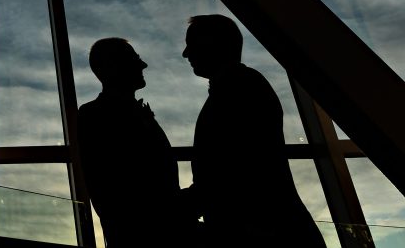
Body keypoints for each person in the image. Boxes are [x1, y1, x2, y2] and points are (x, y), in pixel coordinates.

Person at [182, 14, 324, 248]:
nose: (186, 53)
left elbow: (233, 169)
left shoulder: (237, 90)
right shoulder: (243, 86)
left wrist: (186, 204)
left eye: (192, 44)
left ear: (213, 45)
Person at [78, 38, 191, 247]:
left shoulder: (107, 114)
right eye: (134, 59)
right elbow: (125, 193)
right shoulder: (94, 116)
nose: (143, 65)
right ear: (111, 68)